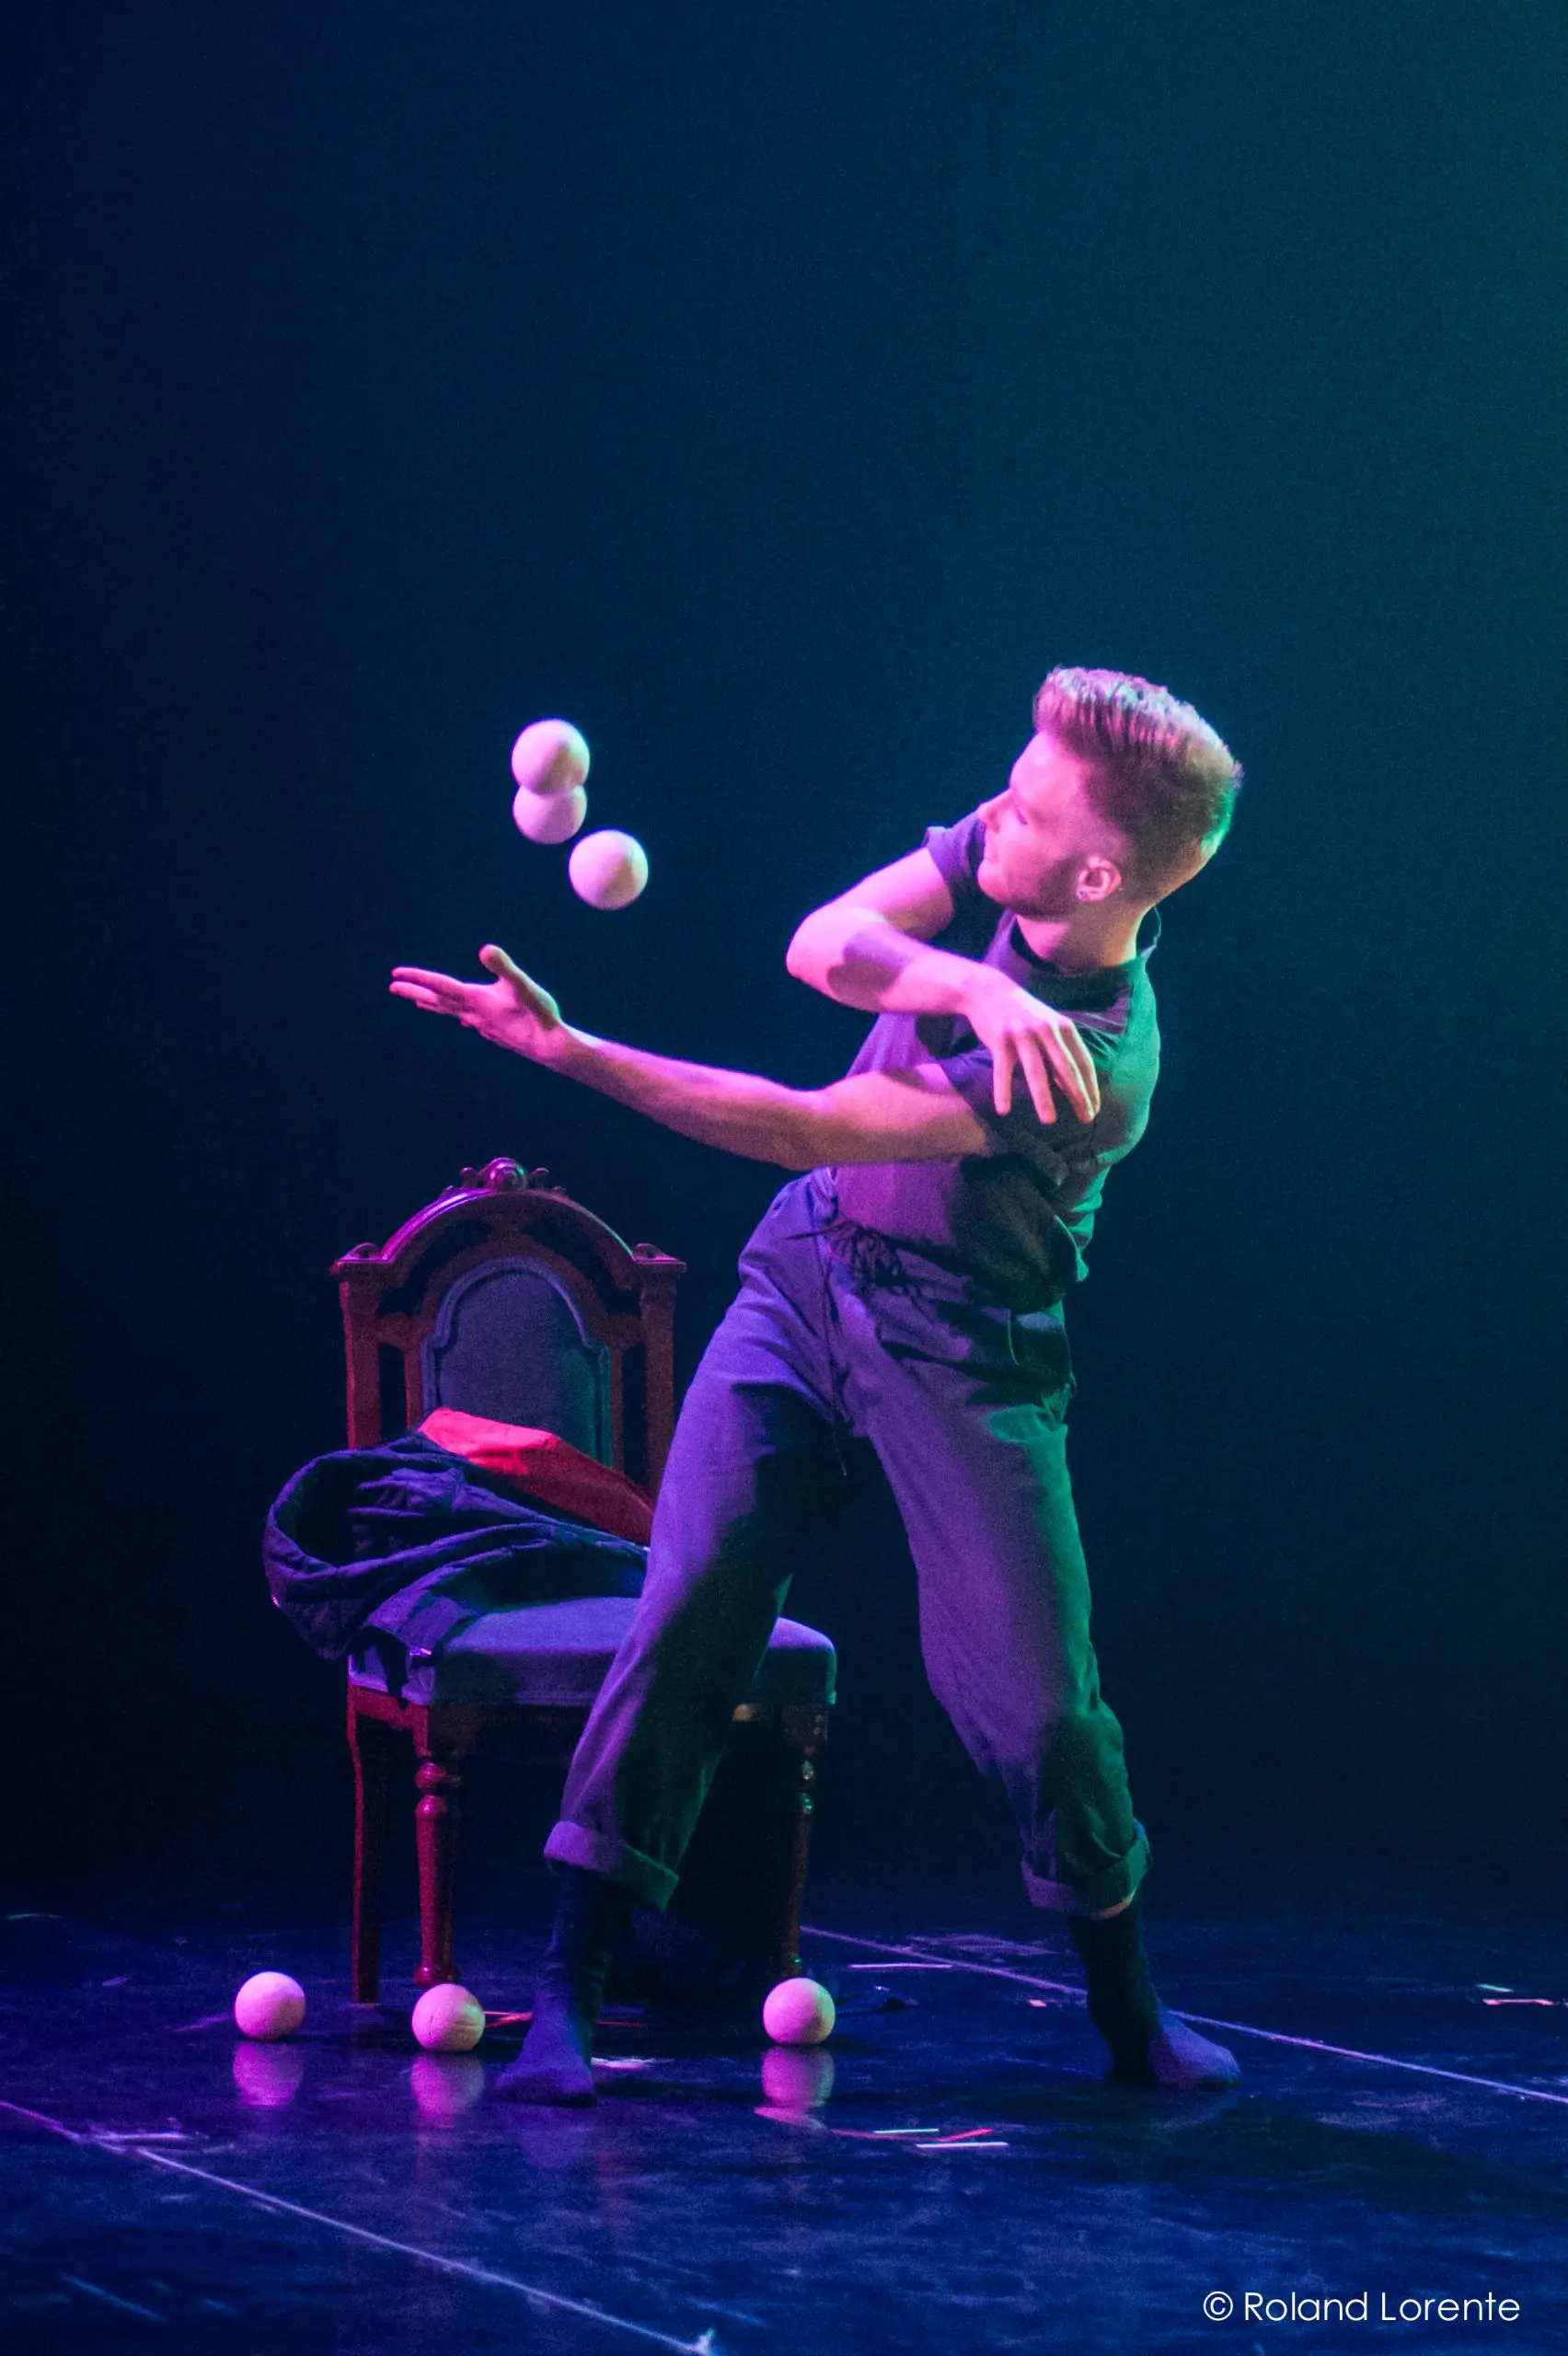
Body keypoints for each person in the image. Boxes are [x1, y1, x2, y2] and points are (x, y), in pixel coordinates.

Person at [392, 665, 1244, 2103]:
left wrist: (569, 1053)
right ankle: (572, 1988)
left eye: (1027, 804)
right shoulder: (1003, 858)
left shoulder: (1095, 1064)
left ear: (1099, 873)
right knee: (691, 1610)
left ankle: (1130, 2013)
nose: (993, 809)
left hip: (965, 1350)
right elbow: (823, 947)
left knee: (1037, 1710)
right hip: (806, 1282)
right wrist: (972, 978)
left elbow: (803, 1122)